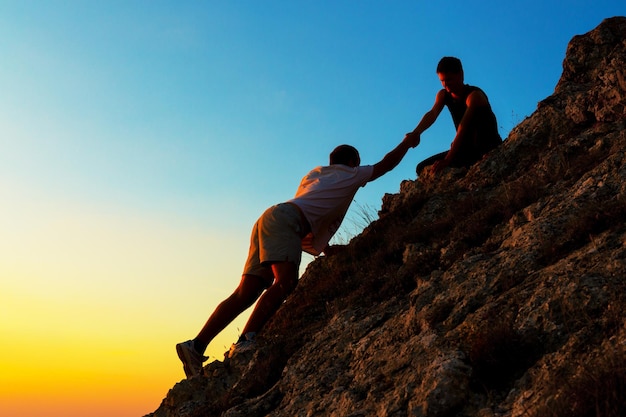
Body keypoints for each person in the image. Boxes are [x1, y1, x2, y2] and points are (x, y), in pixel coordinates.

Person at [176, 134, 420, 378]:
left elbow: (312, 207)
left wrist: (324, 248)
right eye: (358, 161)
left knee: (245, 292)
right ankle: (245, 341)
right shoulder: (351, 173)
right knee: (286, 282)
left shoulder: (315, 174)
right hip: (287, 221)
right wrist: (409, 141)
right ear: (353, 161)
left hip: (270, 217)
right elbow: (387, 164)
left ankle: (196, 346)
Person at [407, 56, 502, 175]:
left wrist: (448, 159)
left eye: (449, 80)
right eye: (442, 81)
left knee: (448, 166)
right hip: (465, 151)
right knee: (421, 168)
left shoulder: (474, 96)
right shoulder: (443, 95)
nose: (446, 85)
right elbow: (432, 114)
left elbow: (463, 128)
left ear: (461, 75)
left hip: (487, 148)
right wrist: (416, 133)